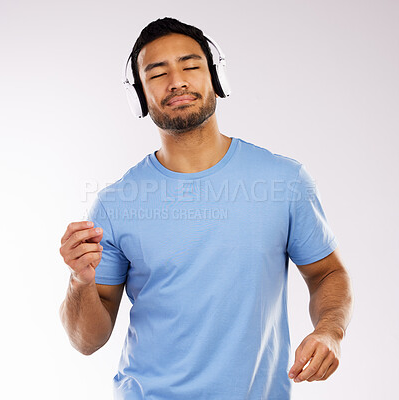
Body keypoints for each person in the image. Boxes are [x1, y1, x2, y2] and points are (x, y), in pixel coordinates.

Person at [59, 17, 353, 400]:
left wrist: (330, 329)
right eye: (157, 73)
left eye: (191, 65)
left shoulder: (284, 180)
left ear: (215, 77)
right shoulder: (116, 203)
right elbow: (87, 342)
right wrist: (79, 281)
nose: (177, 80)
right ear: (140, 96)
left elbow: (327, 272)